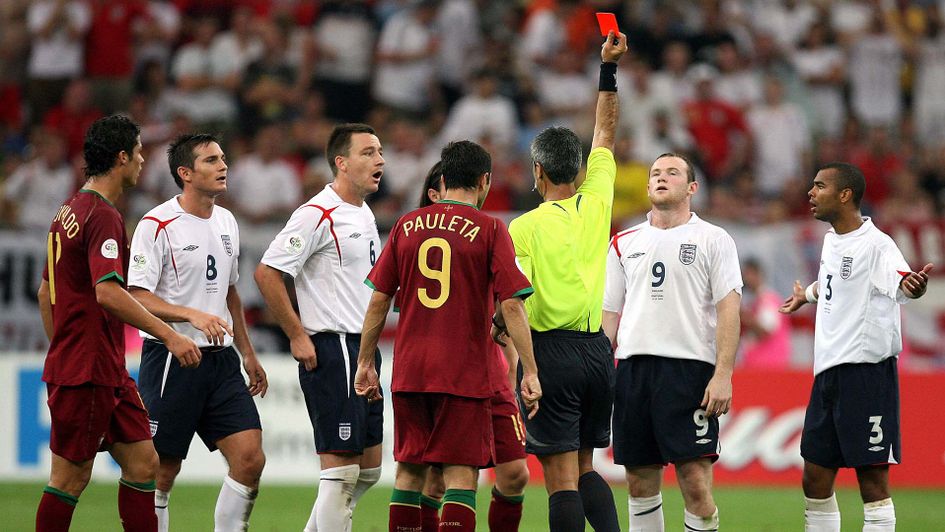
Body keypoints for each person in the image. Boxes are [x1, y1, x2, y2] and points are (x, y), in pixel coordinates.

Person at [354, 140, 541, 532]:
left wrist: (365, 362)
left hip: (410, 372)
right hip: (461, 374)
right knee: (460, 478)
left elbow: (378, 300)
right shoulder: (490, 228)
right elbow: (511, 305)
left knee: (408, 475)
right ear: (484, 181)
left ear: (443, 178)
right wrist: (530, 371)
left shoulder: (407, 224)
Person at [35, 114, 201, 531]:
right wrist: (170, 336)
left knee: (144, 464)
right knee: (70, 478)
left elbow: (45, 293)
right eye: (140, 151)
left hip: (101, 366)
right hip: (88, 368)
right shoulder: (102, 215)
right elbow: (107, 292)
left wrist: (63, 348)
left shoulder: (68, 210)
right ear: (122, 156)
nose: (145, 160)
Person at [506, 30, 627, 532]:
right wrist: (607, 70)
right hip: (597, 352)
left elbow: (516, 300)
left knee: (559, 481)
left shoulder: (524, 227)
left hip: (550, 352)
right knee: (584, 468)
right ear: (578, 168)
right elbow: (604, 132)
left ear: (538, 171)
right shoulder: (597, 202)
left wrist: (524, 365)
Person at [779, 162, 933, 532]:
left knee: (873, 484)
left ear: (845, 194)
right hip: (827, 376)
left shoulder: (878, 245)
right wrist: (808, 295)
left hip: (865, 376)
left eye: (820, 187)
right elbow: (832, 281)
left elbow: (902, 282)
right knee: (814, 478)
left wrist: (914, 286)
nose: (811, 194)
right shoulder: (833, 240)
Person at [128, 133, 267, 532]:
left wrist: (248, 353)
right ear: (185, 173)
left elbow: (230, 292)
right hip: (173, 357)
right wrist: (189, 314)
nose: (223, 166)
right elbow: (136, 295)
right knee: (163, 469)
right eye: (211, 160)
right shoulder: (157, 224)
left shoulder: (227, 221)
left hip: (221, 361)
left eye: (223, 158)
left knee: (250, 458)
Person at [254, 123, 386, 532]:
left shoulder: (363, 212)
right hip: (335, 348)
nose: (380, 160)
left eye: (380, 151)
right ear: (341, 163)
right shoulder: (317, 213)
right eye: (368, 152)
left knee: (368, 471)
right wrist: (297, 333)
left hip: (363, 350)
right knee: (342, 473)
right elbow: (267, 273)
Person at [602, 152, 742, 532]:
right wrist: (600, 372)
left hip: (689, 372)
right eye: (656, 173)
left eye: (673, 173)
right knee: (639, 483)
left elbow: (729, 309)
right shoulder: (623, 241)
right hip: (633, 372)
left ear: (692, 188)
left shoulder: (714, 239)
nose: (662, 178)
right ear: (648, 187)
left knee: (695, 483)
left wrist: (723, 374)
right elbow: (609, 316)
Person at [414, 162, 531, 532]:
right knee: (441, 480)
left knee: (515, 474)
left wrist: (512, 362)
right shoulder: (420, 240)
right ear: (435, 195)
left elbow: (504, 306)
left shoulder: (486, 235)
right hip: (449, 373)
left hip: (490, 372)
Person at [739, 257, 791, 369]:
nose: (745, 279)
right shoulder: (756, 301)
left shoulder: (768, 300)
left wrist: (741, 314)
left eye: (748, 274)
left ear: (757, 274)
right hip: (759, 365)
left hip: (769, 366)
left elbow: (765, 330)